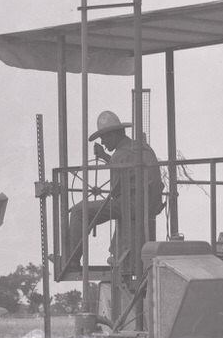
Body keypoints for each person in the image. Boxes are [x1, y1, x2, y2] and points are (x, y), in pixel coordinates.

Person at [65, 109, 165, 276]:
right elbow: (127, 170)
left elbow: (115, 190)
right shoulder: (141, 148)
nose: (103, 143)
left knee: (78, 212)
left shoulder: (120, 155)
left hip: (131, 205)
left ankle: (72, 260)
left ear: (113, 135)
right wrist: (105, 157)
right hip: (149, 205)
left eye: (104, 138)